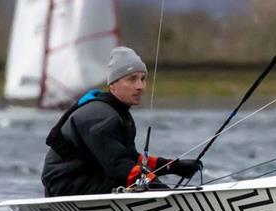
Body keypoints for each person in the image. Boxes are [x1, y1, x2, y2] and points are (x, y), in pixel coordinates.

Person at [41, 46, 200, 197]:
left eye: (143, 79)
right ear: (113, 85)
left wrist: (172, 166)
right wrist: (160, 190)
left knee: (132, 181)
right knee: (128, 180)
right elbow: (119, 166)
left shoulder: (118, 112)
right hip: (66, 187)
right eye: (132, 79)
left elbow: (130, 158)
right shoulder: (100, 117)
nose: (140, 86)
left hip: (92, 178)